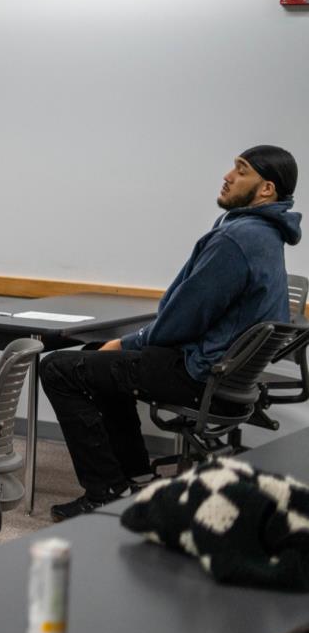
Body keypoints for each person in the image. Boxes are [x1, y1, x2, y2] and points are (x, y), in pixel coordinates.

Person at [41, 145, 301, 521]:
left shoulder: (237, 238)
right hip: (225, 375)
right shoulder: (265, 235)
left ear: (266, 189)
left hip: (201, 374)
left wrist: (125, 343)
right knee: (102, 364)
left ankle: (105, 492)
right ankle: (137, 477)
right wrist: (125, 347)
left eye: (241, 170)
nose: (228, 176)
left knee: (58, 368)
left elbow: (181, 320)